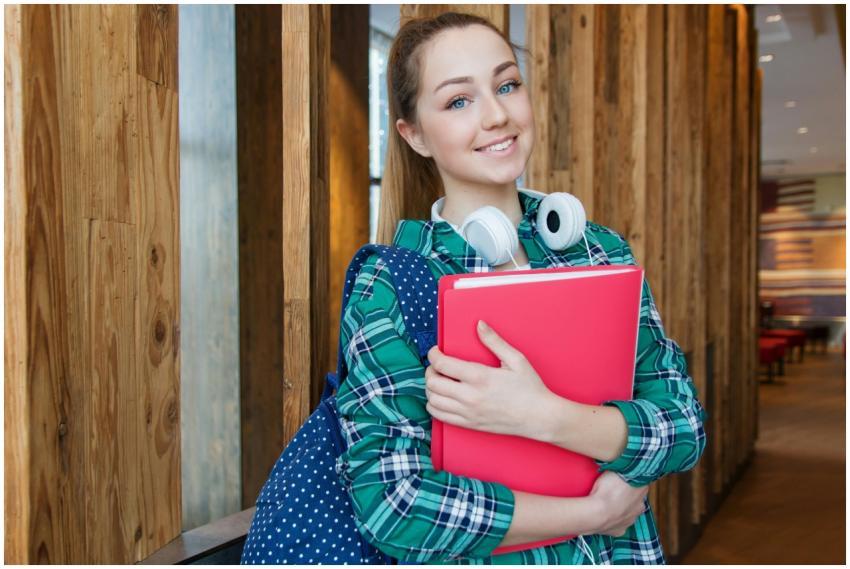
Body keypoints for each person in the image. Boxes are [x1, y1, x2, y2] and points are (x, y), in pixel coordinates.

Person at [334, 11, 707, 565]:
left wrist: (544, 416)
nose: (498, 114)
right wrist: (592, 513)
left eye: (507, 85)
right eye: (459, 101)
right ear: (414, 135)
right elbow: (394, 505)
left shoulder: (599, 250)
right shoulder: (391, 283)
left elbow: (684, 425)